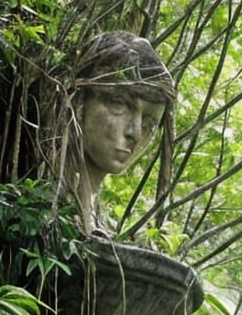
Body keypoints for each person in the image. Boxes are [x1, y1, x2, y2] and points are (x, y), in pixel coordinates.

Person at [66, 31, 175, 234]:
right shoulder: (40, 200)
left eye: (149, 123)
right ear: (79, 100)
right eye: (120, 105)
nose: (135, 133)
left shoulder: (101, 222)